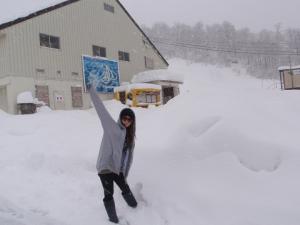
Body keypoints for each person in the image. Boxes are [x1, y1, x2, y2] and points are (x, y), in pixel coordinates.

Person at [88, 85, 138, 224]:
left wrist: (124, 174)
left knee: (125, 187)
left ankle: (135, 206)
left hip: (116, 169)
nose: (126, 121)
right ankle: (113, 220)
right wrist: (91, 89)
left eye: (129, 119)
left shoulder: (128, 136)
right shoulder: (111, 126)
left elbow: (128, 159)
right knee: (108, 194)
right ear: (120, 118)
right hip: (105, 168)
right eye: (124, 118)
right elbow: (101, 109)